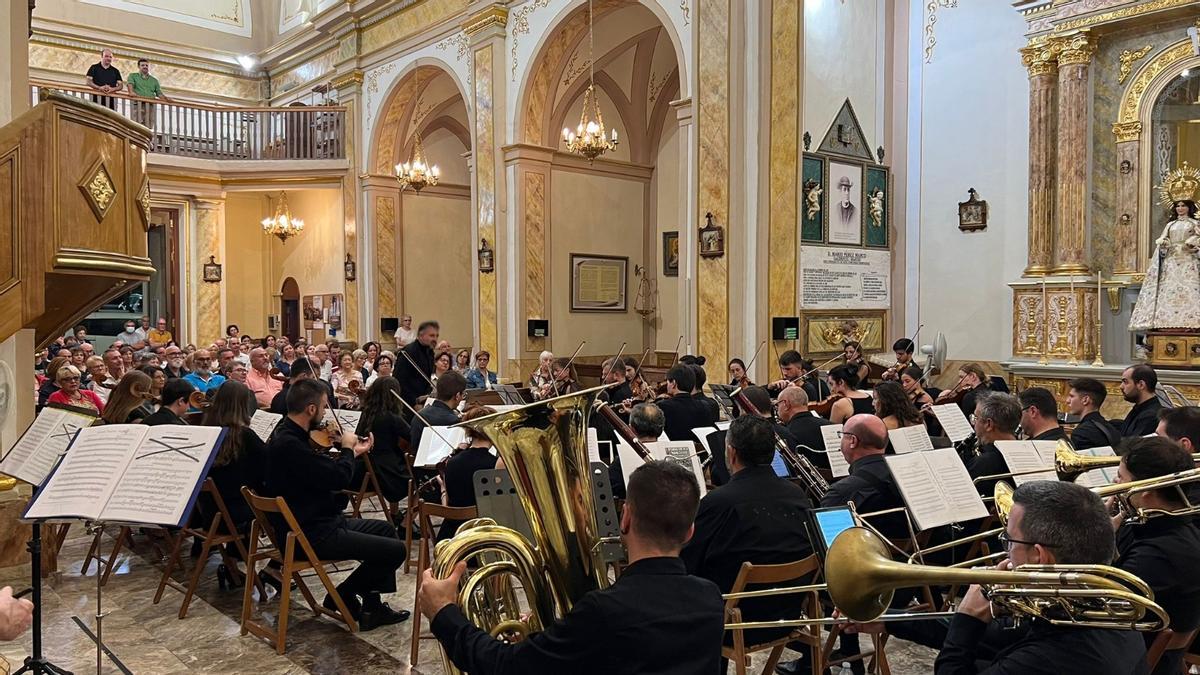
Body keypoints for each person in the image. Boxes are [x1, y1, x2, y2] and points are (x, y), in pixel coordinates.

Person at [419, 460, 723, 675]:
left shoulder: (604, 611)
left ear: (625, 518)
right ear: (690, 532)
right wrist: (550, 641)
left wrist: (444, 613)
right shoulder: (710, 598)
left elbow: (504, 666)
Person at [935, 481, 1148, 675]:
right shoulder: (1113, 607)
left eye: (1009, 540)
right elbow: (1005, 638)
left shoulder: (1044, 659)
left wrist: (968, 618)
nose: (1006, 554)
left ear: (1039, 556)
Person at [262, 379, 408, 630]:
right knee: (396, 550)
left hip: (314, 521)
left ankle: (371, 607)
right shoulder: (291, 446)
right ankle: (340, 595)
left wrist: (353, 453)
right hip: (312, 534)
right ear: (310, 410)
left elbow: (320, 472)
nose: (324, 413)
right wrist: (348, 450)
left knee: (385, 531)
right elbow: (338, 478)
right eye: (322, 407)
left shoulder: (285, 433)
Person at [682, 415, 814, 645]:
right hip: (787, 616)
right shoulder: (798, 495)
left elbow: (687, 563)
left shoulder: (718, 502)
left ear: (731, 453)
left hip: (731, 624)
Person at [1110, 437, 1200, 675]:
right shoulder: (1156, 523)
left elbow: (1106, 605)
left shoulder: (1160, 554)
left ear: (1146, 492)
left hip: (1134, 660)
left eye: (1121, 477)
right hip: (1130, 644)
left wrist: (1098, 538)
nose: (1114, 483)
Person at [201, 381, 265, 530]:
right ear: (243, 405)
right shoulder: (244, 435)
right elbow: (266, 465)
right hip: (237, 513)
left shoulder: (207, 430)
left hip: (210, 511)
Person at [1129, 198, 1200, 330]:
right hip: (1171, 260)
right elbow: (1163, 239)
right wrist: (1164, 245)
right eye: (1178, 206)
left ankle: (1192, 323)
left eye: (1183, 206)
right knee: (1169, 289)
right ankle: (1165, 322)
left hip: (1188, 260)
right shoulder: (1170, 225)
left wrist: (1193, 243)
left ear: (1189, 208)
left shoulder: (1194, 223)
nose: (1180, 208)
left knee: (1190, 289)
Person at [438, 406, 501, 541]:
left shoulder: (451, 462)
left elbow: (448, 507)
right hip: (485, 537)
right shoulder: (496, 465)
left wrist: (443, 489)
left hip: (452, 537)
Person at [354, 377, 411, 507]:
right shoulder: (391, 417)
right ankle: (403, 520)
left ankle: (395, 514)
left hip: (363, 470)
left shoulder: (365, 413)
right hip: (383, 473)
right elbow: (412, 436)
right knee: (416, 479)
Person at [965, 392, 1022, 498]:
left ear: (989, 424)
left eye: (975, 418)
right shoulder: (1027, 452)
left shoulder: (983, 464)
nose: (974, 423)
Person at [609, 402, 664, 499]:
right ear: (661, 429)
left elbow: (610, 489)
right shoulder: (670, 453)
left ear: (631, 429)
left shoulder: (622, 461)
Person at [777, 386, 834, 469]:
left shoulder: (787, 433)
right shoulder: (830, 425)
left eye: (777, 404)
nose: (777, 409)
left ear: (786, 404)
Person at [410, 370, 466, 451]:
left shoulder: (419, 415)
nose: (462, 398)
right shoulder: (454, 421)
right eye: (463, 394)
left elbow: (414, 448)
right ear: (457, 396)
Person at [655, 364, 711, 441]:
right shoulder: (704, 406)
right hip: (699, 452)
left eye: (668, 382)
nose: (667, 385)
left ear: (674, 383)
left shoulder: (663, 406)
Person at [1066, 378, 1120, 450]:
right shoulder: (1110, 427)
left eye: (1072, 396)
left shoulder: (1082, 432)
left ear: (1085, 400)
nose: (1067, 401)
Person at [397, 320, 438, 406]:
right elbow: (400, 381)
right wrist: (414, 402)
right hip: (408, 403)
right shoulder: (408, 352)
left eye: (436, 336)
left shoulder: (430, 352)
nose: (435, 339)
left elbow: (427, 377)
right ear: (420, 335)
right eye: (431, 335)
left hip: (424, 400)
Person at [1119, 364, 1163, 437]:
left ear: (1141, 385)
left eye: (1125, 382)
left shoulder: (1150, 415)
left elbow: (1133, 445)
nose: (1121, 386)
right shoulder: (1140, 407)